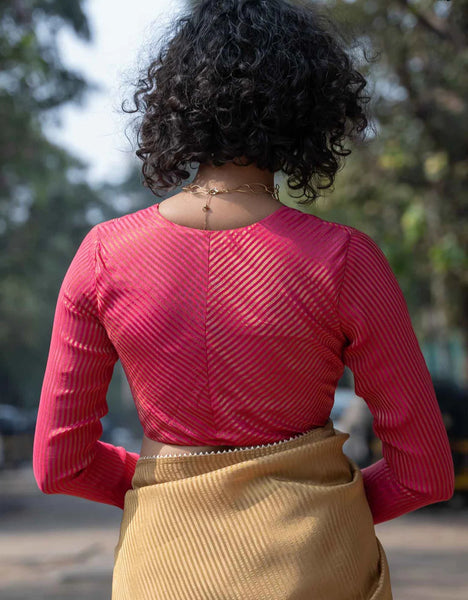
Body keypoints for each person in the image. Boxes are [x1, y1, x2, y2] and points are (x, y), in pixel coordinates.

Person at [32, 1, 454, 598]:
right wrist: (319, 506)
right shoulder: (345, 259)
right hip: (317, 568)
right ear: (310, 109)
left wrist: (168, 481)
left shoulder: (105, 255)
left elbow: (60, 464)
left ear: (174, 106)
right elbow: (425, 474)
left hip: (162, 568)